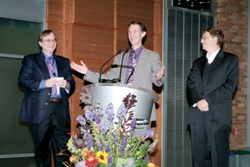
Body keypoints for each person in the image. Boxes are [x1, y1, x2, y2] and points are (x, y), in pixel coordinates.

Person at [70, 21, 164, 136]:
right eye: (129, 32)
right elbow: (107, 78)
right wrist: (87, 73)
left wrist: (158, 78)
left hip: (141, 109)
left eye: (135, 32)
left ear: (143, 34)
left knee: (139, 149)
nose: (132, 35)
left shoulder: (152, 56)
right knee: (120, 149)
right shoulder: (120, 57)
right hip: (120, 109)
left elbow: (157, 77)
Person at [18, 30, 75, 167]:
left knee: (64, 149)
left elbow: (71, 85)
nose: (52, 43)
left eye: (54, 40)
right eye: (48, 40)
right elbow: (23, 80)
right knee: (43, 150)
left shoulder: (64, 61)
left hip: (61, 108)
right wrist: (44, 83)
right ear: (40, 43)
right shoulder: (31, 59)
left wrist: (67, 84)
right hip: (40, 109)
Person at [186, 27, 239, 167]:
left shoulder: (230, 60)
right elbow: (190, 84)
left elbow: (230, 85)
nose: (201, 40)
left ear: (215, 39)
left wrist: (207, 101)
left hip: (218, 118)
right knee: (198, 160)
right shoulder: (197, 63)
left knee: (219, 160)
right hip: (197, 118)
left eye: (204, 37)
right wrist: (199, 101)